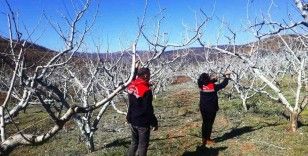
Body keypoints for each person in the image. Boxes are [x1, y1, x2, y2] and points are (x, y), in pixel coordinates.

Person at [126, 67, 158, 156]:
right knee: (143, 145)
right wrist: (154, 123)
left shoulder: (131, 85)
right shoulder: (146, 90)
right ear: (145, 75)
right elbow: (148, 109)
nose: (150, 76)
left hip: (132, 119)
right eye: (149, 74)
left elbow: (132, 78)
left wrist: (135, 69)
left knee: (134, 143)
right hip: (142, 122)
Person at [197, 72, 230, 146]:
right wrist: (227, 77)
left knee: (205, 123)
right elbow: (223, 84)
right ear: (208, 80)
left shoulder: (201, 85)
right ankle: (207, 139)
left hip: (203, 107)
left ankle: (204, 138)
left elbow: (209, 82)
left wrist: (216, 78)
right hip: (211, 108)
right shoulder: (213, 87)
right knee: (209, 124)